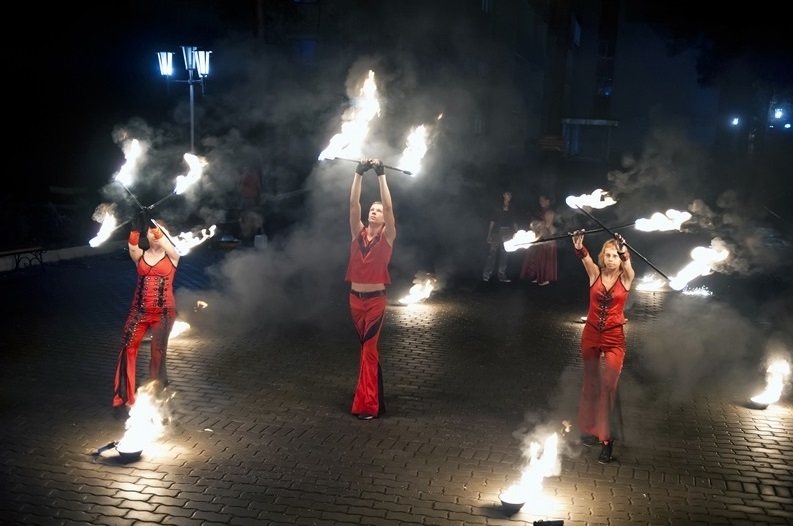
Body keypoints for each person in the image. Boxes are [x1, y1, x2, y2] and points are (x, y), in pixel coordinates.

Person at [571, 229, 635, 464]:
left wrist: (622, 249)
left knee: (608, 387)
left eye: (614, 256)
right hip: (590, 335)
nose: (610, 259)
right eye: (607, 255)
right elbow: (584, 258)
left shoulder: (626, 277)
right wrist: (579, 245)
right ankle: (589, 430)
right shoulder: (595, 274)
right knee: (590, 383)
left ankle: (607, 441)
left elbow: (628, 265)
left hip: (614, 338)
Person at [112, 214, 180, 420]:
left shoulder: (173, 255)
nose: (154, 235)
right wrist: (134, 230)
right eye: (150, 232)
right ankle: (123, 399)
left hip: (164, 313)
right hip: (138, 311)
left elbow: (165, 242)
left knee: (158, 355)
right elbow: (132, 246)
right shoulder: (140, 256)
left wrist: (155, 227)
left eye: (158, 232)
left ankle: (157, 400)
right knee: (127, 349)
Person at [346, 158, 396, 420]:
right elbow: (353, 204)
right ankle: (374, 399)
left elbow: (388, 205)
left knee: (368, 350)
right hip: (355, 300)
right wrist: (359, 173)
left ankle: (368, 405)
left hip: (376, 301)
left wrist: (381, 175)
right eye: (372, 209)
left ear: (385, 219)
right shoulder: (357, 233)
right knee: (366, 350)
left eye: (378, 211)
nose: (375, 212)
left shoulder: (387, 236)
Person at [520, 194, 558, 286]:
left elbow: (547, 226)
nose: (540, 202)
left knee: (545, 258)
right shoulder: (542, 211)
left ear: (547, 201)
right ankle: (538, 276)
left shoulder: (550, 212)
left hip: (547, 238)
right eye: (540, 201)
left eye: (542, 200)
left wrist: (538, 230)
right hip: (541, 237)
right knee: (538, 257)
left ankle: (545, 279)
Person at [482, 190, 518, 282]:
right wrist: (489, 234)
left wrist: (517, 233)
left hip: (507, 233)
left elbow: (514, 222)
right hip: (496, 232)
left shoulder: (512, 208)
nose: (509, 195)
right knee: (492, 254)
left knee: (504, 254)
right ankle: (486, 274)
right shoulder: (498, 206)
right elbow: (492, 221)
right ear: (504, 195)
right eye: (507, 194)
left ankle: (502, 275)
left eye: (510, 194)